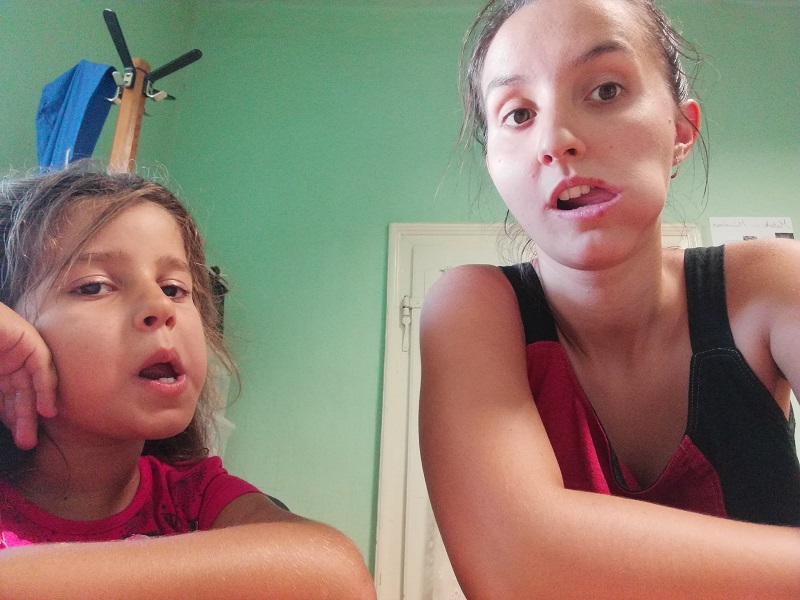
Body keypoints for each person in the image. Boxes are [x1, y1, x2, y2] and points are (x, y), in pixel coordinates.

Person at [418, 0, 800, 598]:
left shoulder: (772, 283)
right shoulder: (471, 307)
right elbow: (517, 566)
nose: (556, 140)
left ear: (681, 130)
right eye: (518, 114)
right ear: (493, 164)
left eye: (605, 90)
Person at [0, 162, 376, 600]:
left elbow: (334, 575)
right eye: (94, 286)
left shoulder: (195, 500)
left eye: (175, 288)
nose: (160, 307)